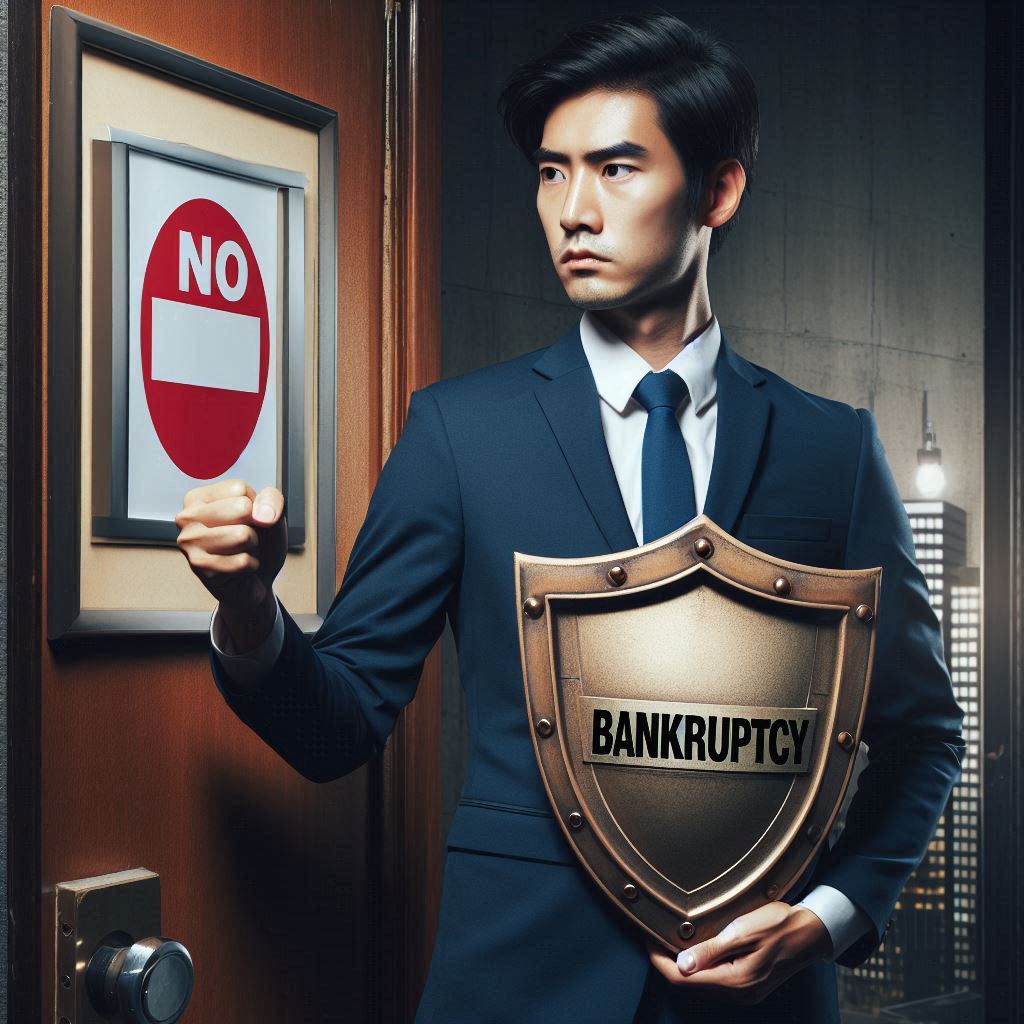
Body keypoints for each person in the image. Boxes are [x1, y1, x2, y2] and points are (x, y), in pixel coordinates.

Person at [175, 11, 965, 1023]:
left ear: (717, 189)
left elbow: (924, 730)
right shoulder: (461, 433)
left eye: (616, 168)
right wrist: (247, 609)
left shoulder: (833, 451)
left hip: (763, 1003)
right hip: (513, 986)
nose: (571, 211)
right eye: (552, 173)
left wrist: (831, 912)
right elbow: (340, 724)